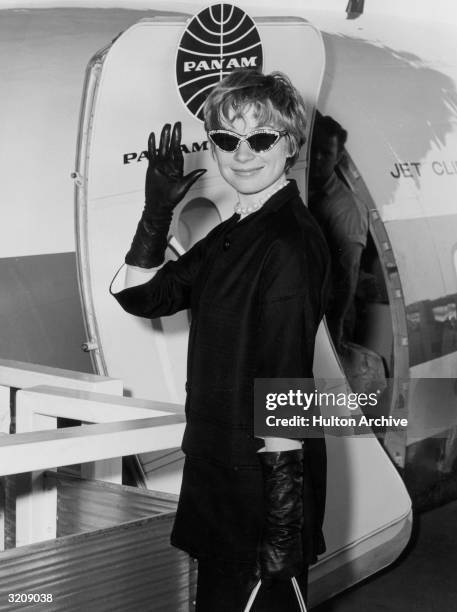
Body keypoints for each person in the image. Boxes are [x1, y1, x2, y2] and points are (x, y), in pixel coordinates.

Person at [111, 69, 330, 610]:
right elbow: (145, 297)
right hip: (220, 475)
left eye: (260, 138)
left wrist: (281, 536)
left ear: (291, 144)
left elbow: (286, 386)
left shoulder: (287, 243)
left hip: (259, 492)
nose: (242, 153)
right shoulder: (236, 232)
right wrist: (156, 212)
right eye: (227, 139)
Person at [308, 112, 368, 352]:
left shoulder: (346, 209)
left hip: (332, 318)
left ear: (338, 157)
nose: (318, 158)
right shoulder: (304, 191)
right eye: (313, 150)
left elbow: (346, 277)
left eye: (326, 153)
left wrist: (334, 334)